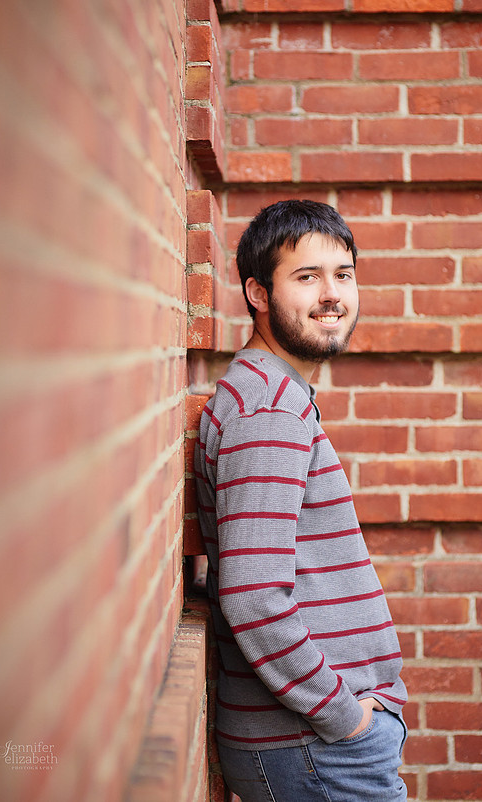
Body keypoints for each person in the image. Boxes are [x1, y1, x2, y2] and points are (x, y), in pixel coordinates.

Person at [194, 199, 408, 801]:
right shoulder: (268, 411)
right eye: (307, 277)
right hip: (315, 748)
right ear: (258, 293)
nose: (332, 295)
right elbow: (254, 595)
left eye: (343, 274)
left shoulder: (274, 396)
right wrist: (347, 719)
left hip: (314, 746)